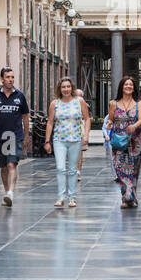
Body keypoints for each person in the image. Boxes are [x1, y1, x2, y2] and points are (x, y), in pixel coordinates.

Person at [0, 67, 31, 207]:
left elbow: (25, 117)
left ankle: (10, 192)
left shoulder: (20, 96)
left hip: (15, 135)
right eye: (8, 77)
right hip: (0, 135)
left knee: (12, 164)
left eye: (12, 77)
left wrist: (26, 136)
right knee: (3, 166)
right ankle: (6, 191)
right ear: (2, 79)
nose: (11, 79)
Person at [44, 77, 89, 207]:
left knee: (73, 169)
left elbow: (87, 119)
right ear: (60, 89)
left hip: (75, 139)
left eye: (68, 87)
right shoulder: (55, 103)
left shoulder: (79, 101)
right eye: (63, 87)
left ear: (72, 88)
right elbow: (50, 122)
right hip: (59, 139)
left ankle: (72, 197)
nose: (66, 89)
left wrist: (86, 135)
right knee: (60, 168)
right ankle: (60, 197)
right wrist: (47, 141)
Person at [106, 76, 141, 208]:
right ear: (121, 87)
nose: (128, 86)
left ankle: (129, 197)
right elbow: (110, 119)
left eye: (131, 85)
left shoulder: (138, 103)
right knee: (120, 167)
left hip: (136, 140)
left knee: (133, 169)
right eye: (126, 84)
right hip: (119, 140)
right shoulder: (113, 103)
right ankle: (127, 195)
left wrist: (134, 126)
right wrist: (110, 124)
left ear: (134, 88)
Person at [73, 88, 88, 179]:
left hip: (79, 130)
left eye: (80, 96)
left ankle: (78, 171)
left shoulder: (83, 104)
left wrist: (86, 135)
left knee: (80, 152)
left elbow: (86, 118)